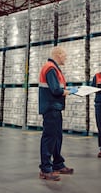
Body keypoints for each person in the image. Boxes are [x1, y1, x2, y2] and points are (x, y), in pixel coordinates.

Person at [38, 46, 78, 181]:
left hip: (55, 107)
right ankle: (45, 169)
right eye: (64, 55)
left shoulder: (54, 68)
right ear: (58, 54)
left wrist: (70, 89)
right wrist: (71, 92)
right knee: (49, 137)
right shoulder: (50, 68)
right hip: (51, 107)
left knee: (57, 137)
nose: (66, 57)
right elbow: (55, 90)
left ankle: (57, 164)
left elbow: (58, 87)